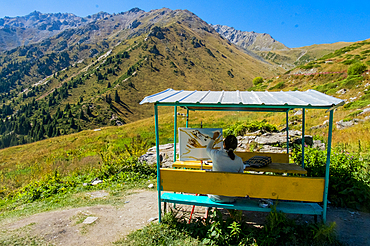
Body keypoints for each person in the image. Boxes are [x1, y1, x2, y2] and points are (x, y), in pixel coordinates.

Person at [206, 131, 244, 203]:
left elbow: (208, 149)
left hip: (216, 196)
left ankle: (208, 210)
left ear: (224, 144)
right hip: (232, 197)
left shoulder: (216, 155)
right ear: (235, 146)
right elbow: (240, 177)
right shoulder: (239, 160)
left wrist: (213, 138)